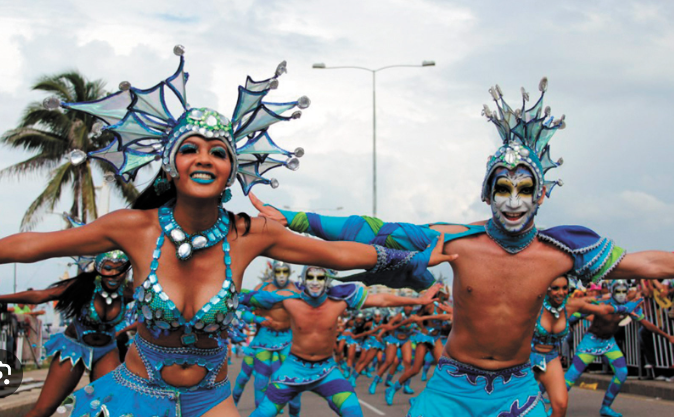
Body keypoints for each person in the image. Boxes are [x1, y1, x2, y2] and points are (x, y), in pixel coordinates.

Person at [0, 45, 452, 417]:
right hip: (136, 393)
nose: (203, 159)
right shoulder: (135, 228)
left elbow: (333, 256)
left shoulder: (251, 234)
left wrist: (410, 260)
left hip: (210, 399)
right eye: (190, 149)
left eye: (218, 152)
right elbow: (34, 246)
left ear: (231, 170)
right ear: (170, 164)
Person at [252, 77, 674, 417]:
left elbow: (643, 262)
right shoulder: (458, 240)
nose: (513, 201)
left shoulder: (560, 249)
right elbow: (373, 230)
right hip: (450, 388)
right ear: (486, 194)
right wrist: (293, 219)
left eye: (524, 189)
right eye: (502, 188)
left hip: (518, 390)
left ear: (541, 195)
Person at [242, 266, 443, 417]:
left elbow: (382, 300)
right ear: (303, 279)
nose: (314, 282)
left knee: (354, 411)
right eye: (310, 277)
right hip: (293, 369)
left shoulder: (340, 301)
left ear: (327, 280)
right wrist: (225, 293)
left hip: (326, 370)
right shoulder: (289, 300)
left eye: (320, 277)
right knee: (262, 413)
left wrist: (419, 300)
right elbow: (251, 298)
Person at [0, 250, 131, 417]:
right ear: (98, 268)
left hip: (106, 350)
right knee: (43, 409)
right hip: (74, 348)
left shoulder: (128, 291)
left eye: (120, 269)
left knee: (110, 410)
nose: (114, 274)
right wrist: (2, 298)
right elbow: (39, 296)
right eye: (108, 268)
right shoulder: (84, 286)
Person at [565, 280, 674, 417]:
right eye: (618, 291)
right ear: (612, 291)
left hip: (609, 343)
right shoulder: (601, 304)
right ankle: (555, 403)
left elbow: (646, 323)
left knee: (622, 373)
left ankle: (605, 407)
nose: (621, 295)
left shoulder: (630, 306)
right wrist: (561, 327)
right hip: (590, 343)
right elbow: (576, 314)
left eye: (624, 291)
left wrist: (667, 336)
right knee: (571, 377)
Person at [531, 275, 616, 417]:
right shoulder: (535, 305)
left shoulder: (570, 305)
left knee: (561, 405)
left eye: (565, 288)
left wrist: (625, 306)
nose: (561, 292)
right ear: (547, 289)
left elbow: (600, 309)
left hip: (551, 357)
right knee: (521, 404)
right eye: (556, 288)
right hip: (528, 356)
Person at [248, 260, 302, 416]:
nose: (282, 275)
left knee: (293, 380)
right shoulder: (261, 288)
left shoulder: (297, 289)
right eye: (278, 271)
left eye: (285, 271)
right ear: (273, 272)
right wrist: (256, 319)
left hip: (288, 339)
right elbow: (246, 307)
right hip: (265, 338)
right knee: (260, 380)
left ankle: (294, 414)